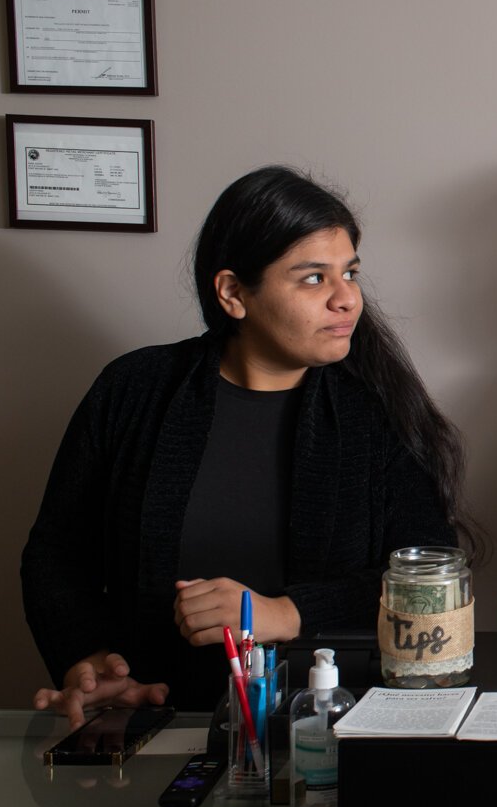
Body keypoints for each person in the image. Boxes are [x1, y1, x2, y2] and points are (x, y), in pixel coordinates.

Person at [24, 166, 473, 727]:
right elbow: (56, 554)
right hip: (161, 720)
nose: (347, 299)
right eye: (314, 278)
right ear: (233, 293)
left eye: (350, 273)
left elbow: (428, 574)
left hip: (333, 728)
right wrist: (89, 663)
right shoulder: (134, 390)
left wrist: (285, 613)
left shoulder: (372, 410)